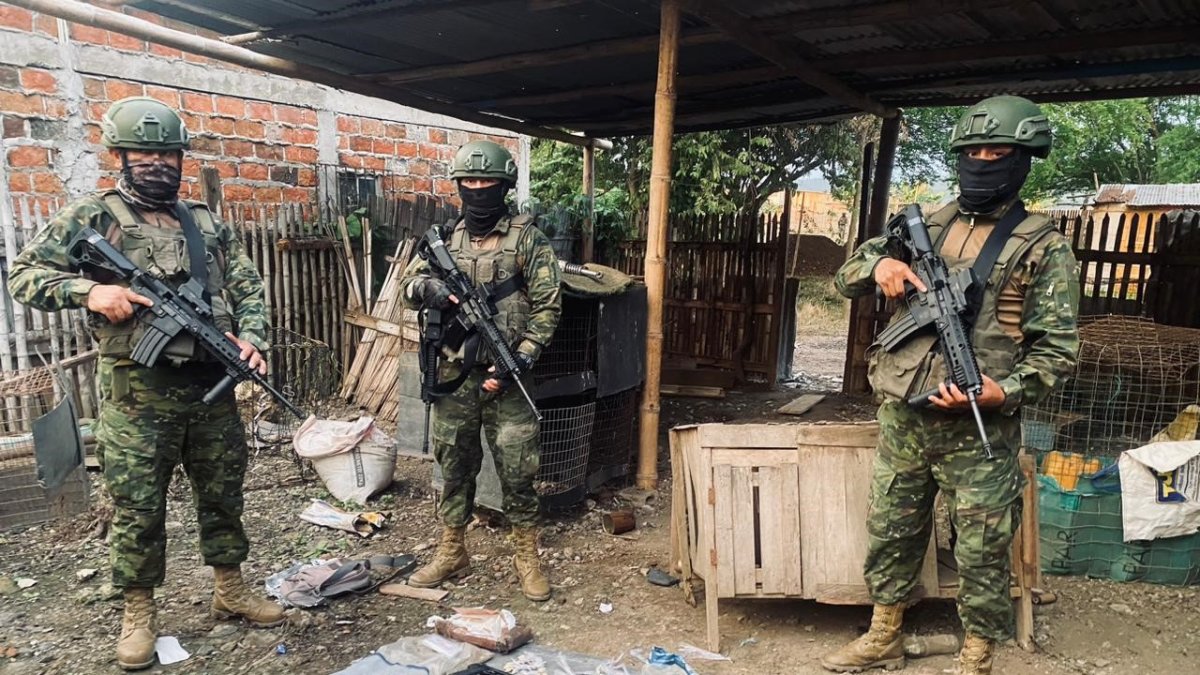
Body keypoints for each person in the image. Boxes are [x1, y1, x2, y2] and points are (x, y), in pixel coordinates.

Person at [7, 97, 283, 671]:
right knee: (137, 506)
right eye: (144, 152)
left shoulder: (204, 221)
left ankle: (230, 589)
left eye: (167, 153)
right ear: (120, 155)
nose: (158, 163)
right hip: (137, 395)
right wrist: (90, 292)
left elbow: (249, 288)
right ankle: (139, 611)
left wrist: (252, 337)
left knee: (223, 492)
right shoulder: (92, 216)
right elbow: (24, 274)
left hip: (210, 389)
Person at [822, 96, 1080, 675]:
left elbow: (1059, 352)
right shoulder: (925, 226)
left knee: (983, 548)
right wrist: (878, 267)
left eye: (998, 152)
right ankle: (884, 633)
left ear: (1023, 160)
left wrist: (1004, 392)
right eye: (973, 151)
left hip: (979, 431)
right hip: (905, 420)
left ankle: (976, 655)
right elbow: (845, 279)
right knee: (892, 530)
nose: (983, 161)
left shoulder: (1043, 246)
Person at [398, 139, 562, 602]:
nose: (477, 189)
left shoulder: (528, 239)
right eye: (468, 182)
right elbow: (409, 285)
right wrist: (428, 288)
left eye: (486, 182)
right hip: (455, 378)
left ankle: (526, 557)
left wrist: (522, 358)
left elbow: (549, 307)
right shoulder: (443, 239)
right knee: (454, 466)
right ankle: (453, 550)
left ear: (504, 186)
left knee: (518, 469)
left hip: (509, 379)